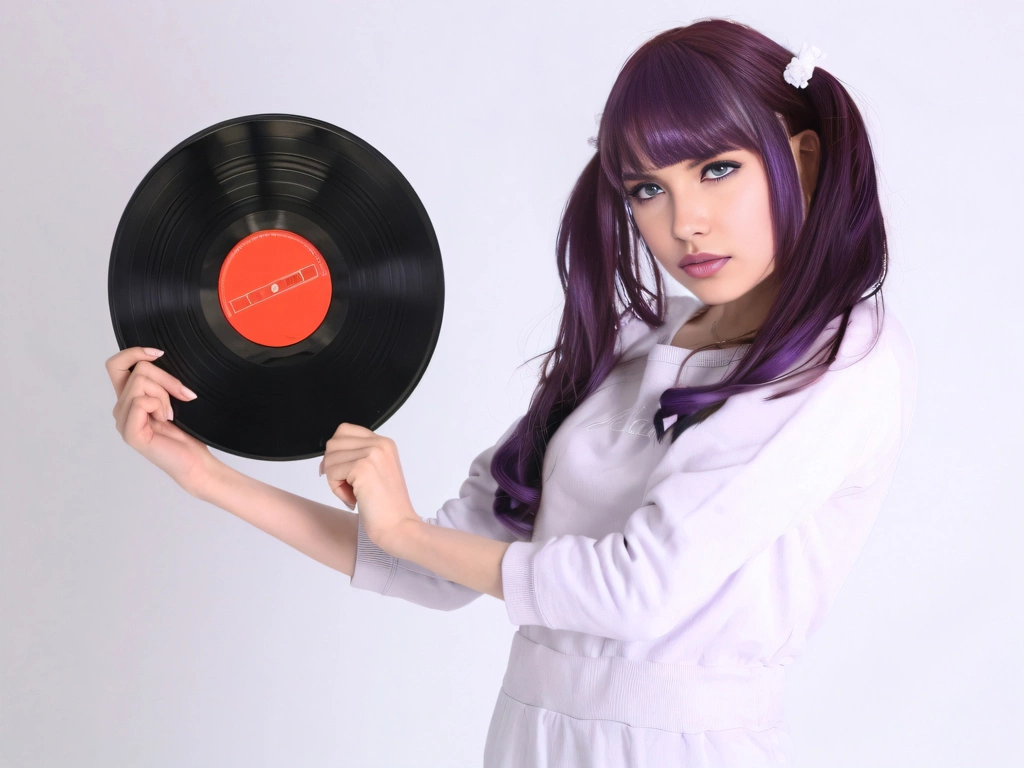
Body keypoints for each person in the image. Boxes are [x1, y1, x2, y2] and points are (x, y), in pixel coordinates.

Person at [106, 18, 918, 767]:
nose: (687, 222)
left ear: (802, 159)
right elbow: (430, 567)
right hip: (531, 737)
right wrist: (203, 473)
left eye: (717, 169)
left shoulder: (841, 363)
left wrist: (405, 532)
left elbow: (636, 592)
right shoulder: (638, 346)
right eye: (647, 189)